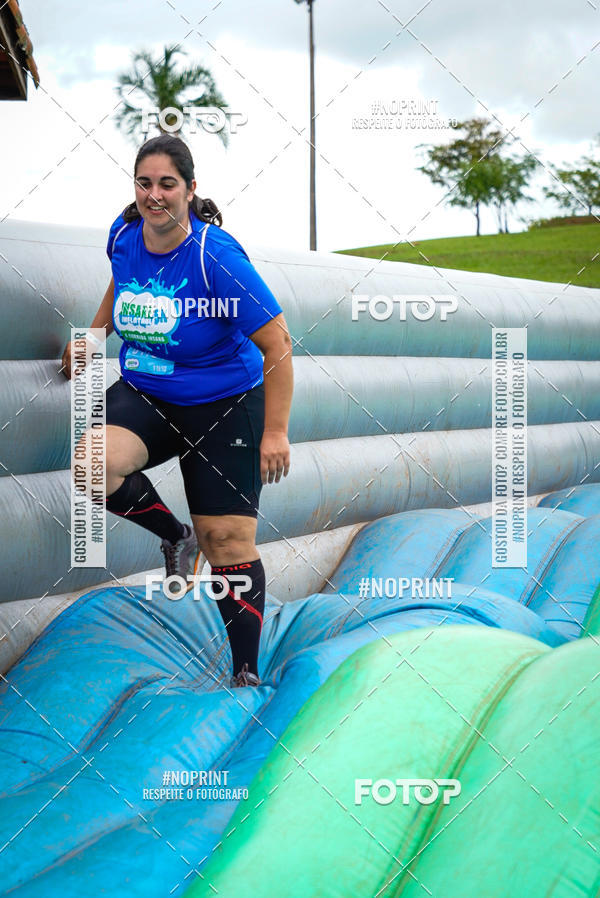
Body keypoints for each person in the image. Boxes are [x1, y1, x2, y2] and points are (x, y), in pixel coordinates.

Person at [61, 134, 293, 690]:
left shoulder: (216, 258)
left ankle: (244, 672)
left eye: (167, 184)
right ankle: (174, 535)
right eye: (144, 183)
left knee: (228, 544)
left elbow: (279, 344)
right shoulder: (124, 232)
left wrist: (276, 432)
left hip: (224, 403)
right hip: (150, 391)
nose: (154, 194)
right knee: (93, 463)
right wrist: (95, 333)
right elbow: (125, 280)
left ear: (190, 190)